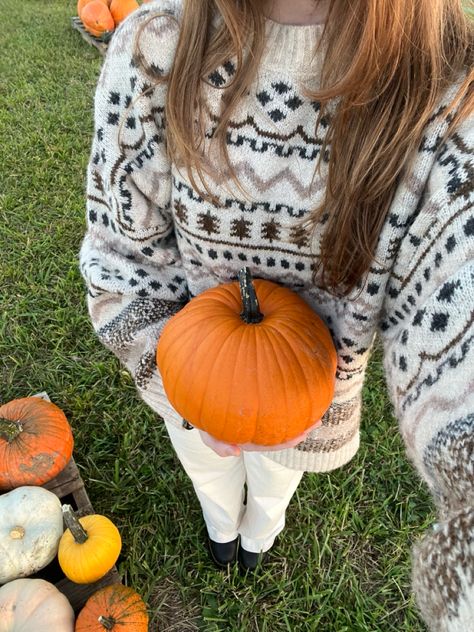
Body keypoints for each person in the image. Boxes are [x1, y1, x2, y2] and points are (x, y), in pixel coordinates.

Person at [79, 0, 473, 628]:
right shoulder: (154, 46)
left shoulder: (450, 91)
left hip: (307, 401)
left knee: (274, 482)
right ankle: (220, 524)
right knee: (206, 464)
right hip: (186, 378)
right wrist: (175, 375)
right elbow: (121, 256)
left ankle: (259, 534)